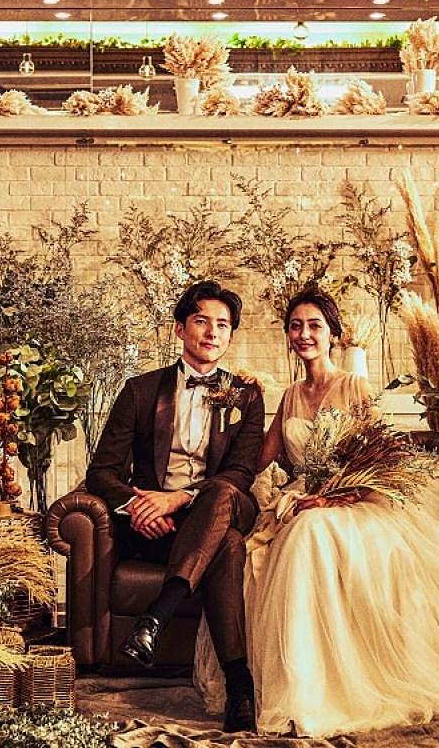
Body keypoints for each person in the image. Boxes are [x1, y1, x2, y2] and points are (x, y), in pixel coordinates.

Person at [246, 286, 439, 737]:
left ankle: (322, 692)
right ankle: (298, 685)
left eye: (314, 326)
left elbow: (377, 458)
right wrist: (246, 402)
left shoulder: (355, 386)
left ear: (333, 334)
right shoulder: (290, 396)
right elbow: (258, 459)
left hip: (355, 498)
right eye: (296, 326)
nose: (304, 334)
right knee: (287, 534)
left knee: (310, 532)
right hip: (305, 498)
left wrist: (332, 497)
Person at [86, 280, 264, 733]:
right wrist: (138, 507)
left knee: (222, 492)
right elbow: (102, 472)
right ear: (180, 329)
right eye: (202, 321)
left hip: (219, 503)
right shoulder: (140, 391)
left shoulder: (246, 396)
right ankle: (239, 686)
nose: (212, 332)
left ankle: (155, 618)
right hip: (161, 530)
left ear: (231, 335)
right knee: (227, 546)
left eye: (222, 324)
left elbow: (241, 473)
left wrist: (178, 498)